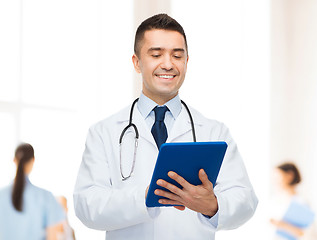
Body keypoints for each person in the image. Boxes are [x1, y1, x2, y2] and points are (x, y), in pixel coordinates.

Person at [73, 13, 258, 239]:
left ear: (187, 62)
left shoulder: (214, 131)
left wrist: (213, 205)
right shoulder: (104, 132)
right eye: (156, 54)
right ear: (137, 62)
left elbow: (246, 200)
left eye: (177, 55)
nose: (168, 64)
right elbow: (86, 205)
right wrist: (146, 197)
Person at [0, 143, 65, 240]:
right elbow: (52, 237)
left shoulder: (1, 196)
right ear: (33, 161)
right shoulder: (46, 197)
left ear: (14, 160)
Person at [270, 162, 315, 240]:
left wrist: (283, 225)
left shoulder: (301, 202)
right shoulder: (274, 200)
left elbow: (308, 234)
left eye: (277, 177)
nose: (274, 181)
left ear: (290, 175)